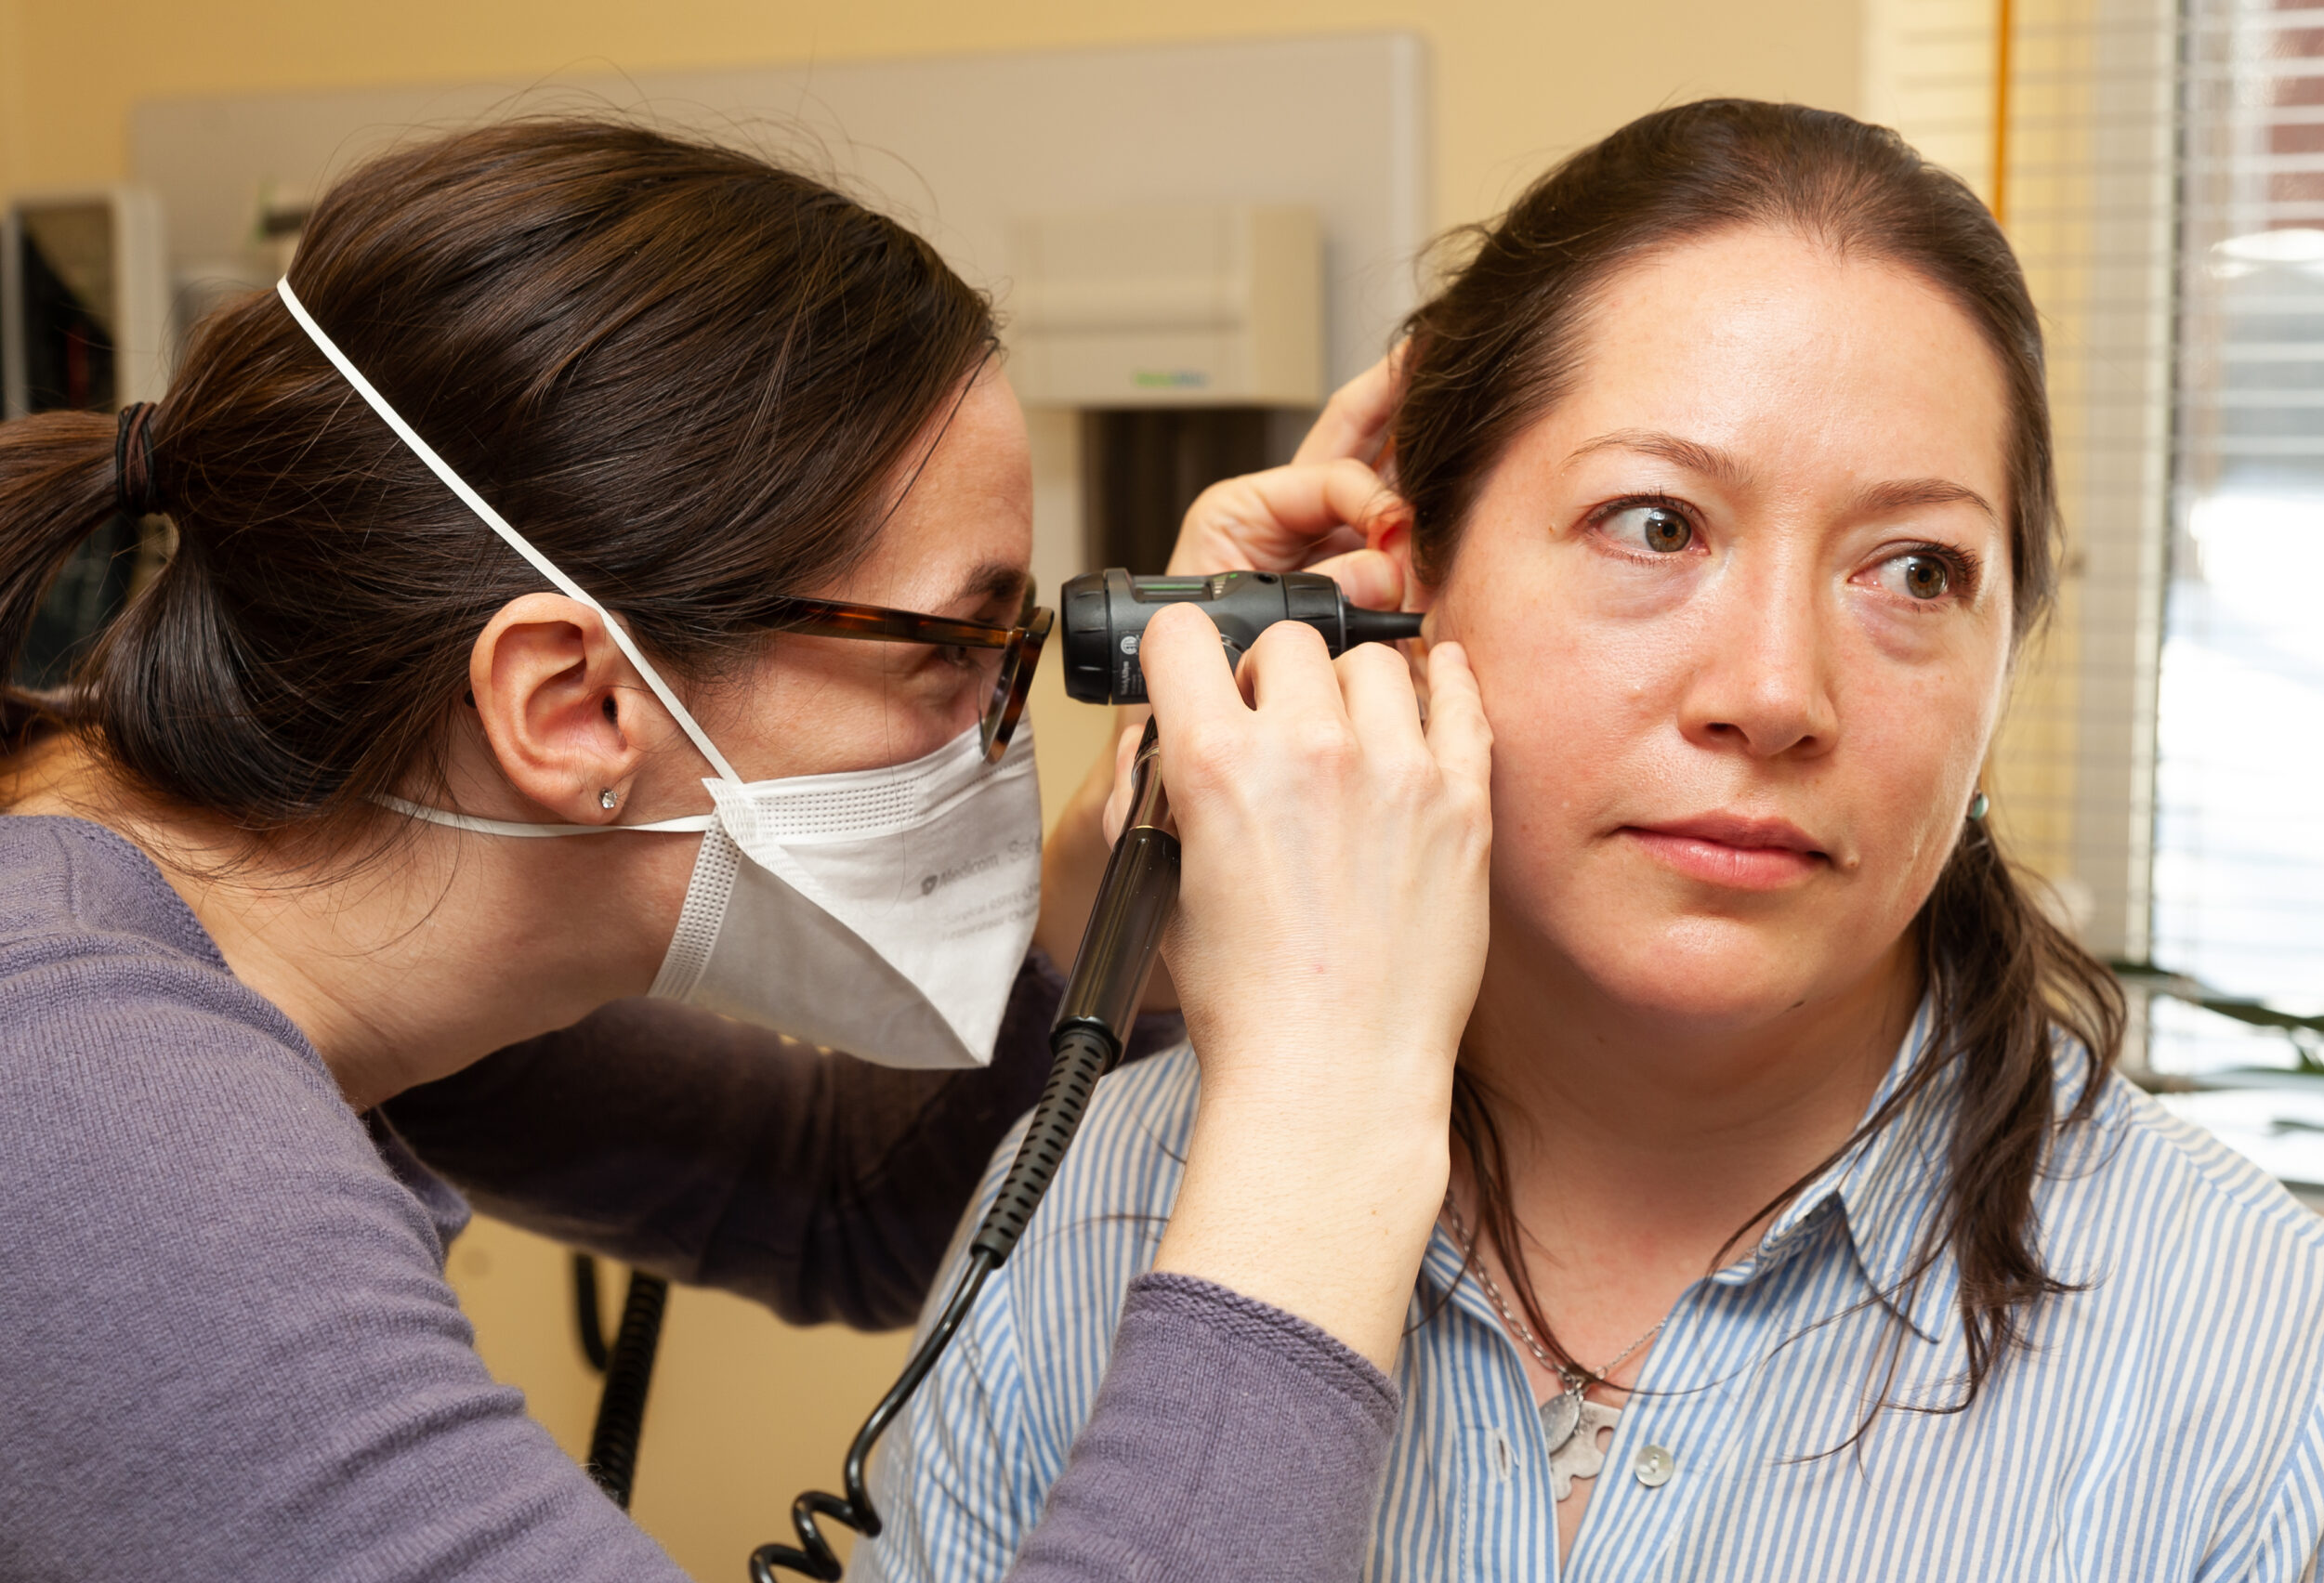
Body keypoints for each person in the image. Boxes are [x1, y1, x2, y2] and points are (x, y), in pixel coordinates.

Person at [858, 99, 2324, 1583]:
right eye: (1656, 526)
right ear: (1405, 584)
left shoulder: (2275, 1373)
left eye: (1916, 569)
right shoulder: (1096, 1216)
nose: (1775, 694)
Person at [0, 119, 1495, 1580]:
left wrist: (1112, 886)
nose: (1002, 714)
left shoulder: (276, 895)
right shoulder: (74, 1088)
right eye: (958, 643)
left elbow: (859, 1209)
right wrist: (1331, 1084)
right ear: (576, 706)